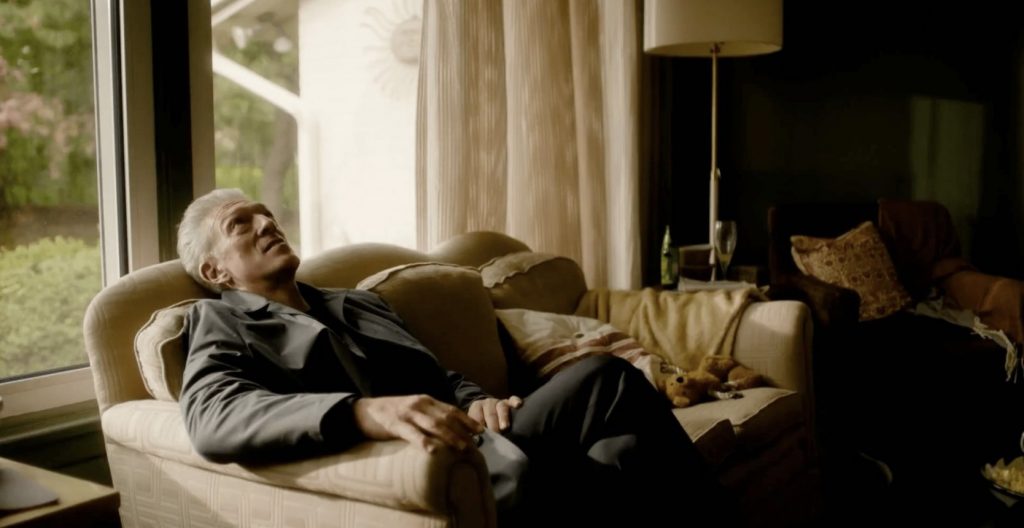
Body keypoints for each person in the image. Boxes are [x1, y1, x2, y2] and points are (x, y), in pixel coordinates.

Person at [176, 188, 731, 526]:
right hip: (418, 461)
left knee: (626, 451)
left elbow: (437, 374)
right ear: (214, 270)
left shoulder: (357, 304)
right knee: (607, 377)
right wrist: (364, 412)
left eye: (266, 215)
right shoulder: (219, 321)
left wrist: (477, 398)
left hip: (481, 434)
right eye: (241, 224)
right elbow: (210, 417)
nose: (267, 225)